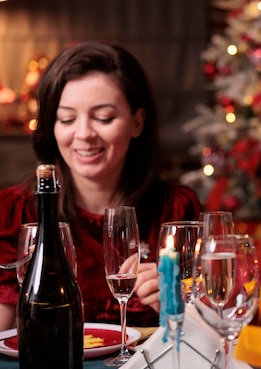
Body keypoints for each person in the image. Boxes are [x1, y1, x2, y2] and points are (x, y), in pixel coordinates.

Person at [0, 41, 202, 329]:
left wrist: (176, 306)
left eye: (104, 118)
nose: (84, 134)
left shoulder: (177, 210)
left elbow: (210, 330)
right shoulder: (16, 212)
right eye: (67, 119)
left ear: (137, 123)